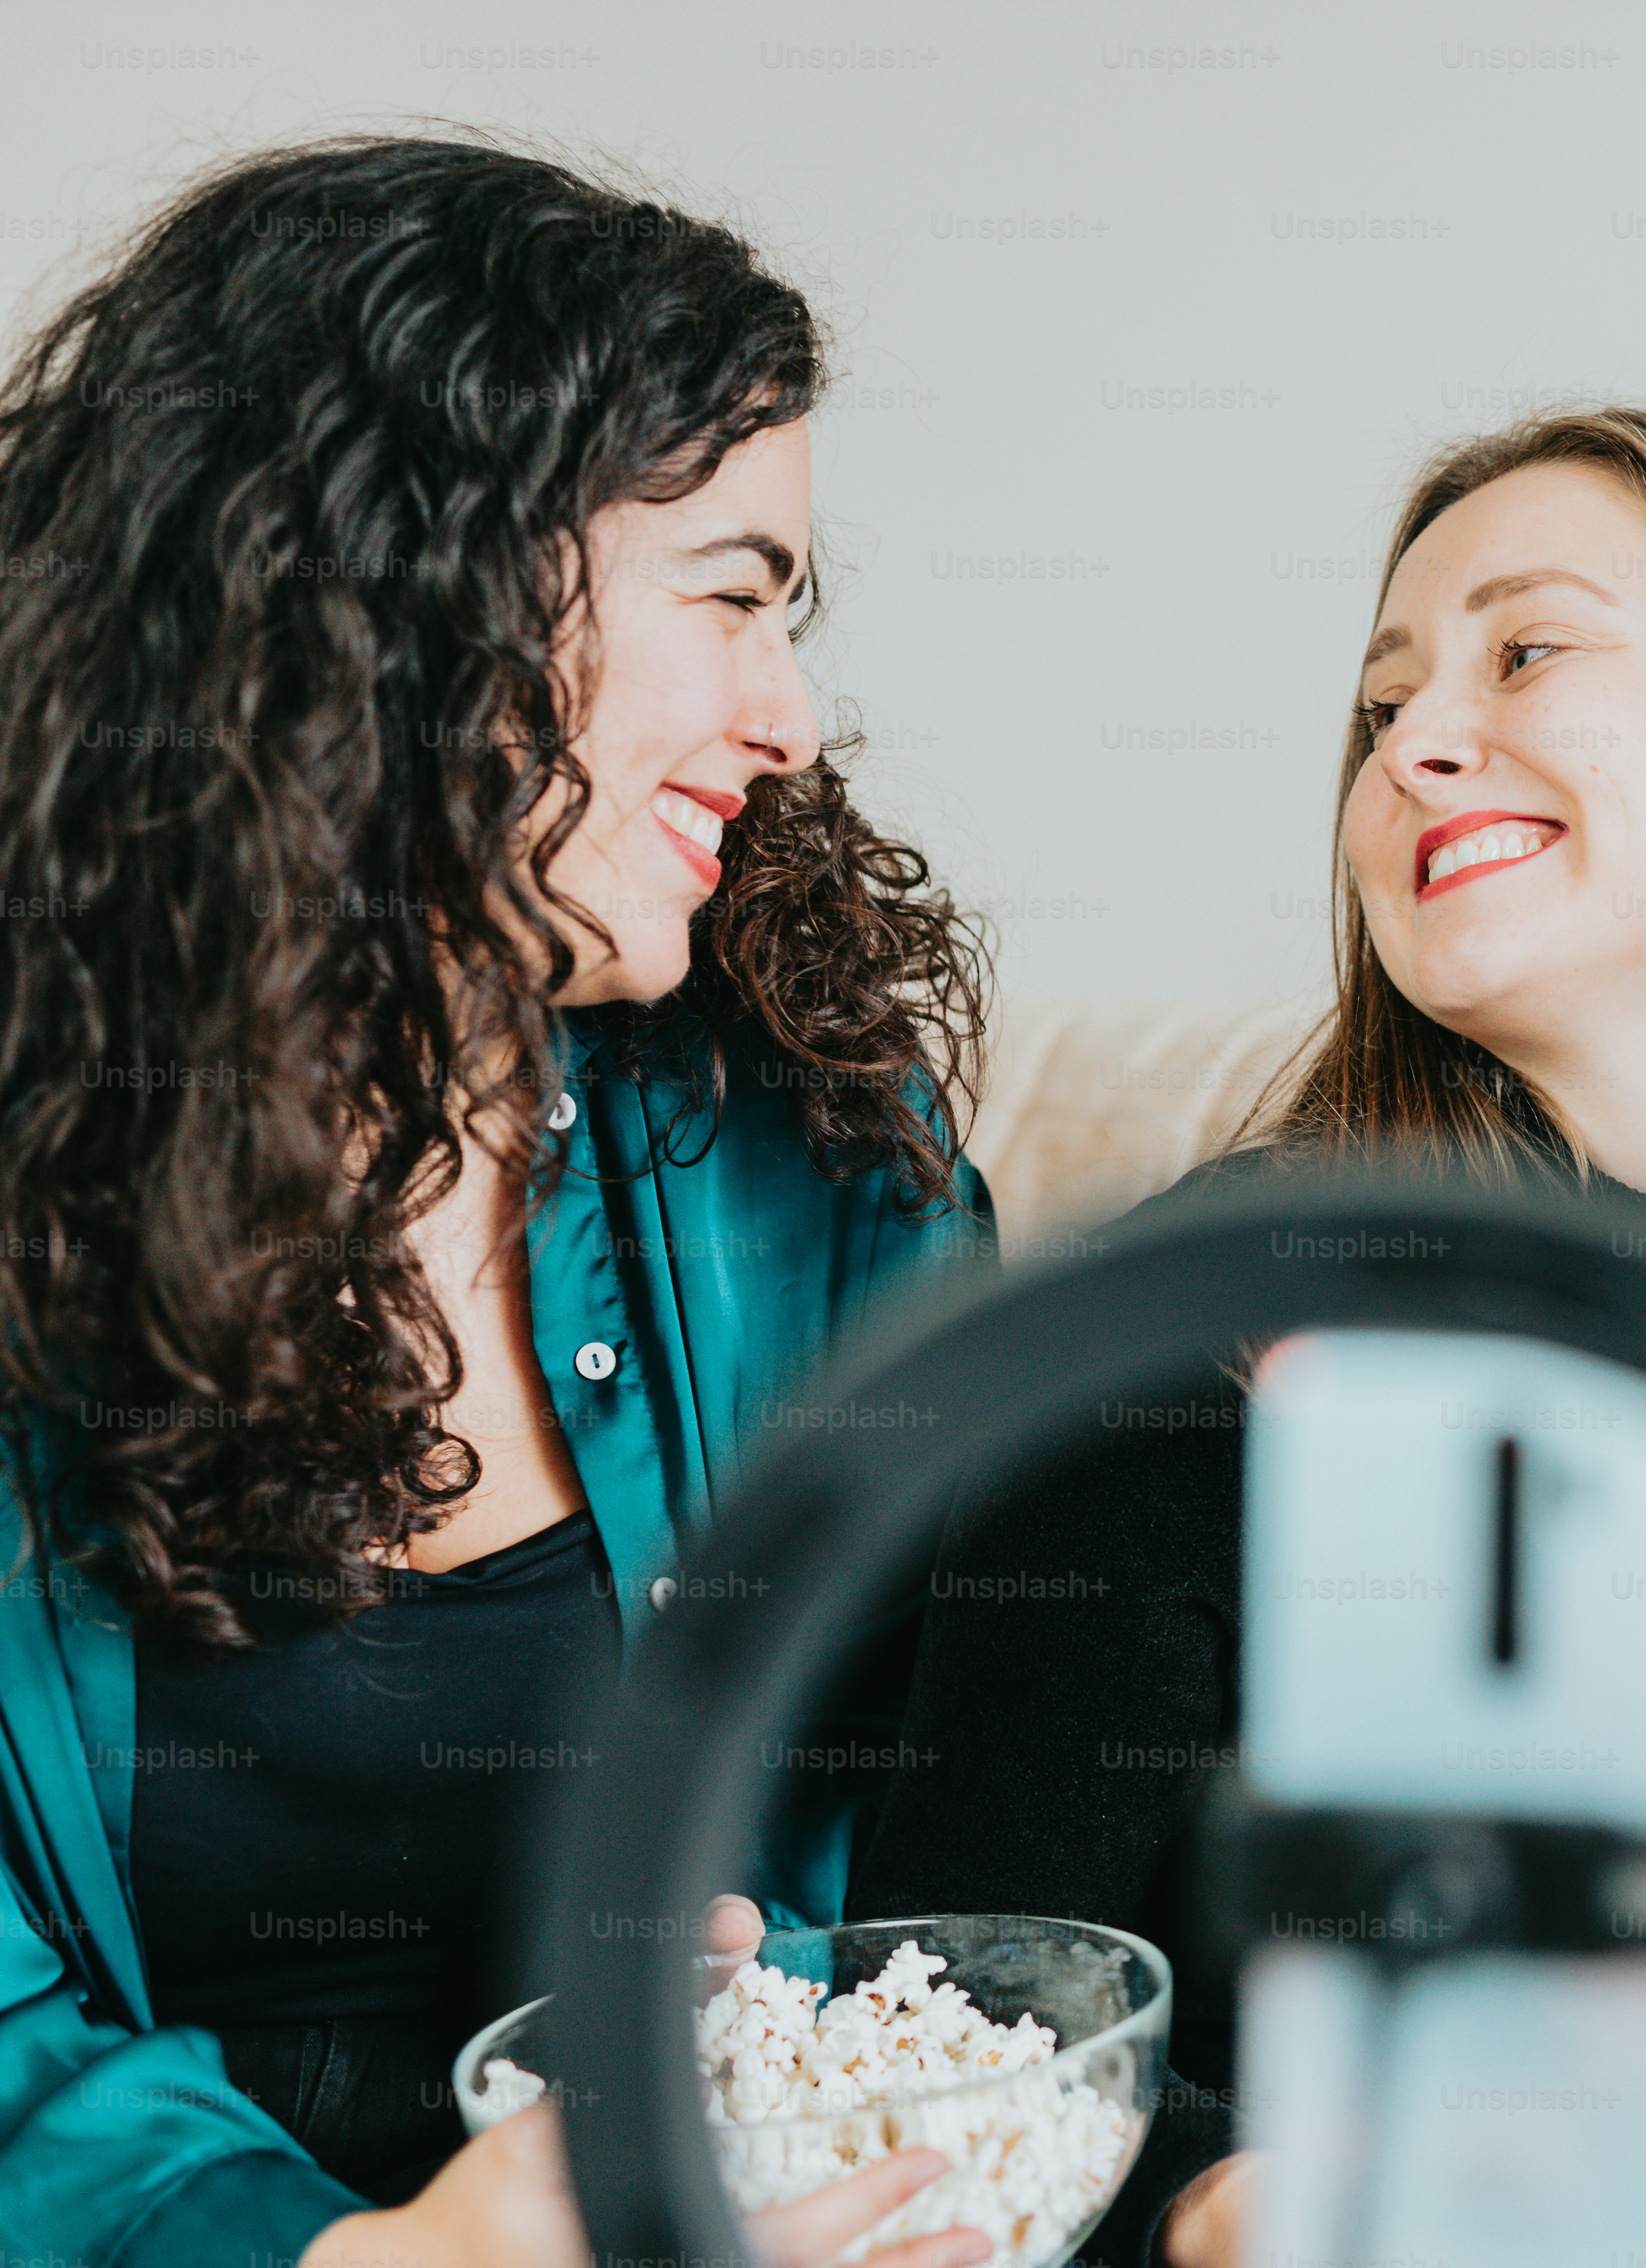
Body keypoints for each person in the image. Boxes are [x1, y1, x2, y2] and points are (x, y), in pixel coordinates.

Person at [853, 408, 1646, 2265]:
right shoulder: (1192, 1342)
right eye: (1385, 710)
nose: (1420, 745)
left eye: (1527, 650)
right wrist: (1207, 2202)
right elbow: (955, 2006)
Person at [0, 138, 997, 2267]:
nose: (787, 721)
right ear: (413, 584)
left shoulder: (819, 1150)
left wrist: (789, 2007)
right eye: (730, 595)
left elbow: (958, 1801)